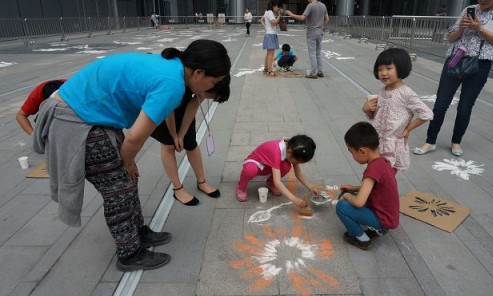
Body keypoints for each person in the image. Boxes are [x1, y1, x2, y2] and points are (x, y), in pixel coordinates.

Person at [33, 39, 231, 271]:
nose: (211, 88)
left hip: (90, 113)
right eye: (213, 82)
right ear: (199, 73)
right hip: (76, 119)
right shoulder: (172, 84)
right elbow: (135, 138)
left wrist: (128, 162)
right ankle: (129, 254)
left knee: (127, 181)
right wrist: (127, 162)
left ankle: (138, 233)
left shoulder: (171, 65)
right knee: (119, 189)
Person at [414, 1, 493, 157]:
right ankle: (430, 141)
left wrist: (479, 28)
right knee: (441, 103)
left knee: (465, 106)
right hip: (455, 59)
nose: (481, 2)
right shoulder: (469, 9)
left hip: (480, 63)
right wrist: (462, 28)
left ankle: (456, 142)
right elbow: (451, 38)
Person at [150, 75, 231, 206]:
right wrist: (174, 136)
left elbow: (193, 105)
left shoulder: (205, 83)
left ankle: (201, 182)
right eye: (209, 96)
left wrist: (181, 134)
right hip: (161, 108)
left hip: (182, 106)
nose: (206, 98)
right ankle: (177, 189)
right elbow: (168, 112)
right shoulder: (176, 83)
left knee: (191, 143)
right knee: (169, 145)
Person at [362, 48, 433, 171]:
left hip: (393, 145)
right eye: (380, 69)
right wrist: (367, 109)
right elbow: (377, 117)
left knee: (385, 176)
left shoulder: (406, 94)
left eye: (389, 68)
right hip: (377, 142)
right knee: (378, 175)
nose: (383, 73)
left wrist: (408, 129)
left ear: (401, 68)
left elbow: (426, 114)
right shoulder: (383, 91)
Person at [336, 122, 399, 250]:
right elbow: (374, 187)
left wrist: (348, 195)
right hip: (387, 216)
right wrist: (352, 188)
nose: (351, 156)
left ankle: (362, 239)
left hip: (383, 219)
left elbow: (359, 202)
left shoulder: (373, 170)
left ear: (363, 151)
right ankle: (376, 229)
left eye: (351, 152)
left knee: (342, 206)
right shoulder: (381, 162)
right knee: (346, 195)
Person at [236, 135, 319, 208]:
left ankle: (270, 183)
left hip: (269, 165)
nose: (297, 164)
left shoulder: (294, 148)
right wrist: (294, 199)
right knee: (250, 170)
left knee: (286, 166)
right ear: (289, 152)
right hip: (256, 163)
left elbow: (298, 173)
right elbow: (278, 181)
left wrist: (311, 187)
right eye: (297, 162)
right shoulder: (276, 151)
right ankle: (241, 187)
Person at [284, 0, 329, 79]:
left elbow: (302, 17)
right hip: (320, 31)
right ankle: (320, 71)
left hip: (312, 31)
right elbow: (327, 19)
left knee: (312, 53)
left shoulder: (311, 5)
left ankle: (313, 73)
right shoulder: (323, 5)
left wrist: (291, 14)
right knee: (318, 52)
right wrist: (321, 25)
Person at [260, 0, 283, 77]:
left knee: (268, 53)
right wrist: (279, 16)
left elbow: (261, 19)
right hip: (271, 35)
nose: (278, 9)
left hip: (269, 34)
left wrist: (266, 27)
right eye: (278, 7)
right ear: (275, 5)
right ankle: (269, 71)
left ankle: (266, 68)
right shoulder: (270, 12)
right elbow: (274, 23)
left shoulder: (267, 11)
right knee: (271, 54)